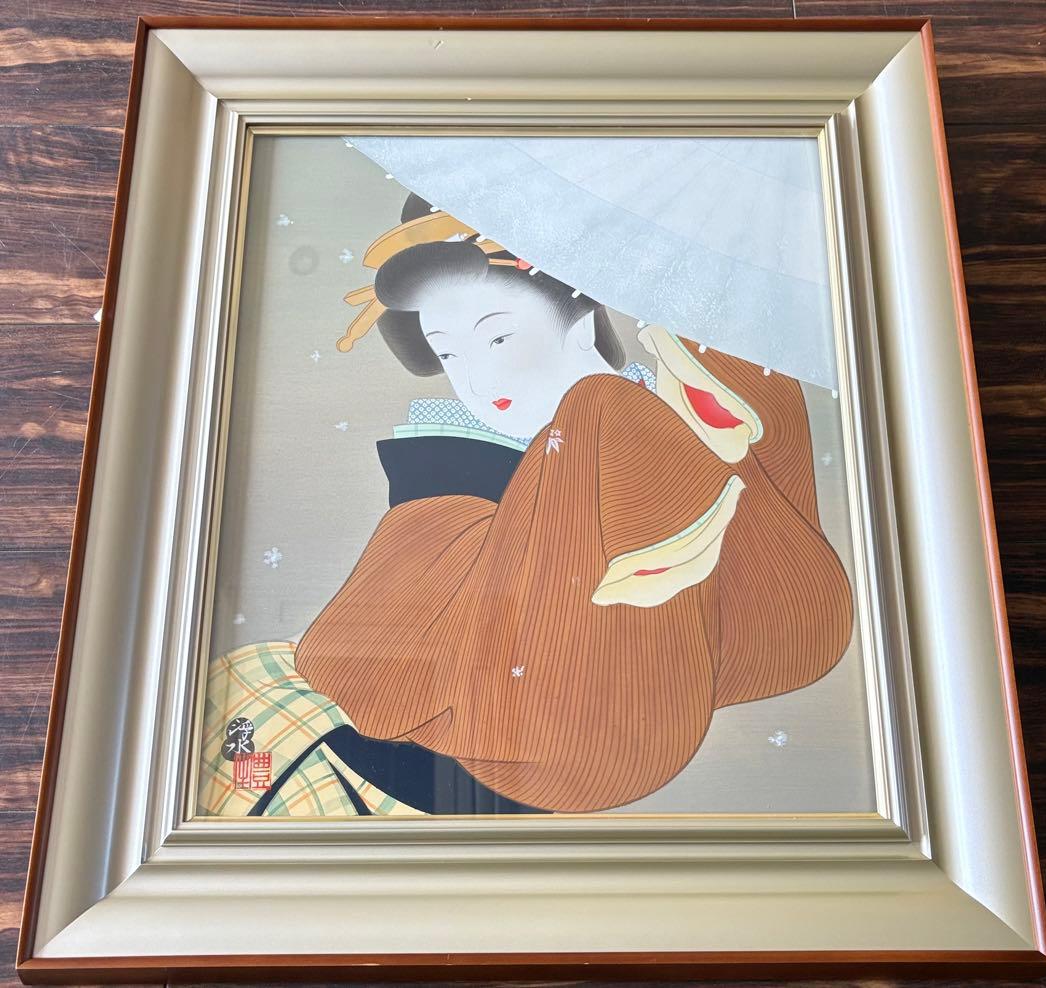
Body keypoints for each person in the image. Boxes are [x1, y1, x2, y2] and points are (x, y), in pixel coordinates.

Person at [198, 193, 852, 817]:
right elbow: (364, 661)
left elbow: (788, 616)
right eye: (448, 352)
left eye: (498, 339)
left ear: (582, 321)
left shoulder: (652, 419)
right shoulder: (446, 479)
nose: (476, 380)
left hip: (624, 720)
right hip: (454, 761)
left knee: (624, 407)